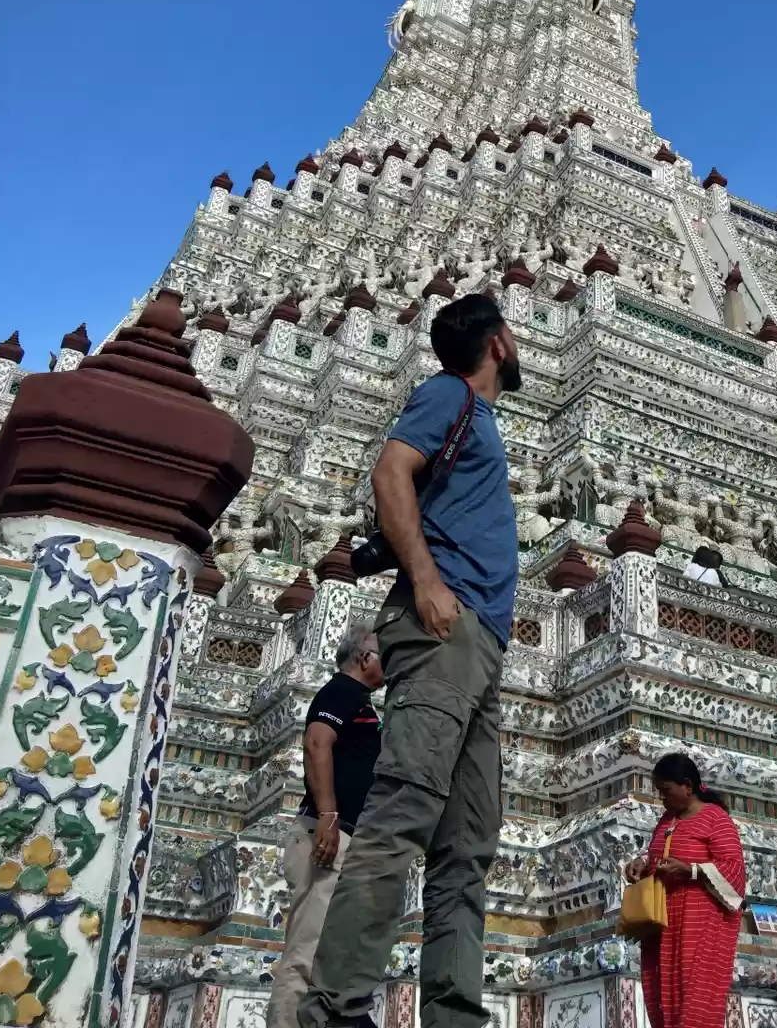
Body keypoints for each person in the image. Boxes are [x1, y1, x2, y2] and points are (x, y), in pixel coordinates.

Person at [299, 293, 522, 1028]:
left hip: (481, 640)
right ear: (500, 342)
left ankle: (453, 1012)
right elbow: (391, 471)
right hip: (441, 624)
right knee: (404, 811)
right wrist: (426, 582)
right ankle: (335, 1004)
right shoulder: (448, 394)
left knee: (468, 843)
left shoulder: (483, 418)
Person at [266, 627, 384, 1028]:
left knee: (331, 955)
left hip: (346, 835)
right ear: (365, 658)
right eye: (386, 654)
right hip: (326, 832)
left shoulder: (361, 702)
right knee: (306, 953)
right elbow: (317, 744)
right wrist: (329, 818)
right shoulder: (341, 692)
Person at [623, 753, 746, 1028]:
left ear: (687, 787)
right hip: (663, 922)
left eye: (666, 791)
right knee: (663, 1003)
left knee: (693, 1000)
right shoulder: (667, 820)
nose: (662, 798)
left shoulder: (716, 819)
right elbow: (658, 853)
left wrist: (690, 870)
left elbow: (733, 871)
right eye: (659, 792)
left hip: (699, 924)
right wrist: (641, 863)